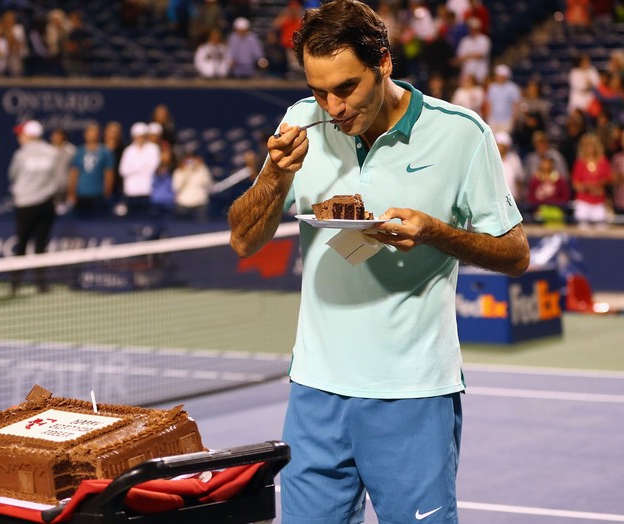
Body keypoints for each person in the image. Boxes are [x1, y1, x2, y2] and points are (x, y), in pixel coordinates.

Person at [226, 2, 529, 523]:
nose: (333, 106)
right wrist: (276, 176)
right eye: (319, 90)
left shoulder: (461, 133)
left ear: (383, 63)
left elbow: (516, 255)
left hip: (412, 393)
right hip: (316, 392)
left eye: (346, 88)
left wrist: (435, 232)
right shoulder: (301, 122)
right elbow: (242, 240)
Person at [8, 120, 65, 294]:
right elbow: (59, 181)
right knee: (41, 245)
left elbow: (12, 175)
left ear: (29, 136)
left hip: (25, 205)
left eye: (22, 134)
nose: (19, 137)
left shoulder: (21, 154)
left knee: (22, 244)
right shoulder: (52, 152)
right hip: (46, 204)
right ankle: (41, 284)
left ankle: (16, 284)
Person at [67, 122, 115, 219]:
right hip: (81, 194)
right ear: (85, 134)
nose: (93, 135)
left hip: (99, 194)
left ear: (99, 135)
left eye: (95, 132)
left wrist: (107, 192)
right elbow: (74, 173)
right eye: (90, 132)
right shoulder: (79, 152)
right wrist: (71, 191)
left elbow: (109, 173)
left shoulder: (106, 152)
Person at [119, 121, 161, 218]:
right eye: (137, 136)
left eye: (142, 136)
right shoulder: (128, 151)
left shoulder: (153, 148)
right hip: (131, 192)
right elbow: (123, 170)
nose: (140, 138)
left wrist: (134, 168)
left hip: (148, 191)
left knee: (148, 219)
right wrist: (142, 167)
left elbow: (153, 168)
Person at [572, 132, 613, 229]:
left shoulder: (603, 161)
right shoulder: (580, 162)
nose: (590, 148)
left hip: (599, 200)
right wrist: (587, 186)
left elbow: (609, 178)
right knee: (583, 229)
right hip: (583, 201)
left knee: (601, 229)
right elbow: (575, 183)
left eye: (592, 145)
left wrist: (598, 184)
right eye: (587, 146)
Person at [172, 149, 213, 221]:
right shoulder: (179, 172)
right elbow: (176, 187)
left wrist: (201, 167)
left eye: (192, 159)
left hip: (200, 204)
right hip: (183, 204)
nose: (190, 162)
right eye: (187, 160)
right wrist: (186, 172)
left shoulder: (202, 169)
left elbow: (208, 184)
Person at [485, 64, 521, 134]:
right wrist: (488, 117)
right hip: (493, 119)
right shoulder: (492, 87)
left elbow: (515, 103)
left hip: (507, 119)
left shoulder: (512, 88)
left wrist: (514, 117)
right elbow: (489, 103)